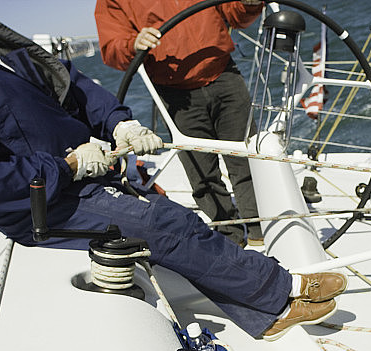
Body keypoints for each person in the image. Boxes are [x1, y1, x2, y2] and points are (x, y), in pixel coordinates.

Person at [0, 1, 347, 342]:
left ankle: (266, 314)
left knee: (167, 215)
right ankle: (281, 290)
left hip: (77, 171)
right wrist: (69, 165)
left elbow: (68, 82)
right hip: (42, 199)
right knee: (164, 222)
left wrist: (118, 122)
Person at [94, 0, 265, 248]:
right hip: (175, 94)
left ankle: (261, 228)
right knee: (202, 173)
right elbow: (112, 48)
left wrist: (250, 3)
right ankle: (230, 238)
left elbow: (236, 13)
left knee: (247, 159)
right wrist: (133, 43)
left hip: (224, 74)